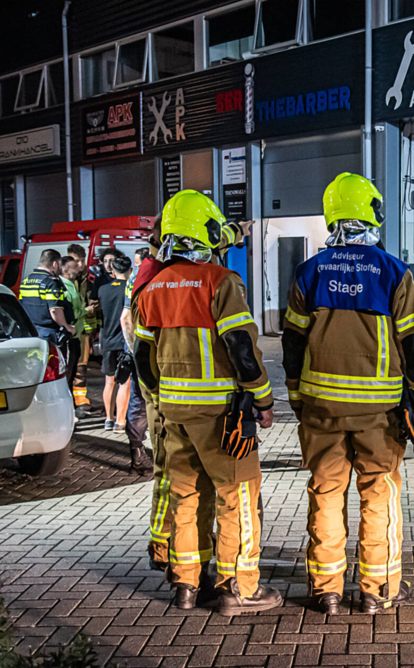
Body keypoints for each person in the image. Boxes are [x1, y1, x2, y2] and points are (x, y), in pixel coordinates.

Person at [282, 172, 414, 615]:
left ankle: (326, 590)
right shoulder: (394, 272)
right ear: (371, 213)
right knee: (378, 495)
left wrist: (295, 395)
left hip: (320, 408)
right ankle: (376, 590)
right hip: (379, 412)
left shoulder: (309, 272)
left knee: (326, 493)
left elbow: (292, 343)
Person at [134, 190, 281, 615]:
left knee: (186, 497)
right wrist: (262, 397)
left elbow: (143, 358)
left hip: (174, 414)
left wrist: (162, 400)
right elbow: (240, 346)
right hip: (220, 416)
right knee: (238, 498)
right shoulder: (220, 281)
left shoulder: (151, 287)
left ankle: (186, 584)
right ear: (206, 233)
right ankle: (239, 588)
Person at [126, 214, 256, 572]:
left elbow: (142, 348)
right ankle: (169, 548)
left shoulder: (154, 275)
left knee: (182, 483)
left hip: (170, 395)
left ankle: (185, 569)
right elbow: (239, 344)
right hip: (191, 398)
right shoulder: (172, 277)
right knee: (189, 479)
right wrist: (260, 395)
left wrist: (236, 231)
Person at [99, 254, 132, 434]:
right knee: (124, 382)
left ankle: (108, 419)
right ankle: (120, 422)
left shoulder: (103, 290)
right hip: (123, 341)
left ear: (112, 270)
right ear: (130, 270)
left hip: (107, 339)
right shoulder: (129, 289)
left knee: (109, 381)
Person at [19, 249, 76, 349]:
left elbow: (21, 305)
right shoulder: (51, 283)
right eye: (59, 265)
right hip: (48, 333)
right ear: (54, 264)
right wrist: (67, 327)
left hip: (31, 332)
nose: (60, 269)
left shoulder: (26, 281)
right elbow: (55, 310)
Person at [67, 244, 93, 414]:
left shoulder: (88, 280)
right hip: (71, 329)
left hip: (84, 330)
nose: (80, 265)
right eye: (76, 261)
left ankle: (81, 400)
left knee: (82, 367)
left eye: (82, 261)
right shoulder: (67, 281)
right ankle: (72, 401)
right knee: (71, 367)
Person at [59, 256, 87, 392]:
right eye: (75, 267)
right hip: (69, 336)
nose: (79, 269)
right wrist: (87, 310)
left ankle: (70, 398)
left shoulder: (72, 285)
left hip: (76, 335)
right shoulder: (64, 286)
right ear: (65, 270)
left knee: (72, 371)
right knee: (68, 372)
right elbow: (72, 313)